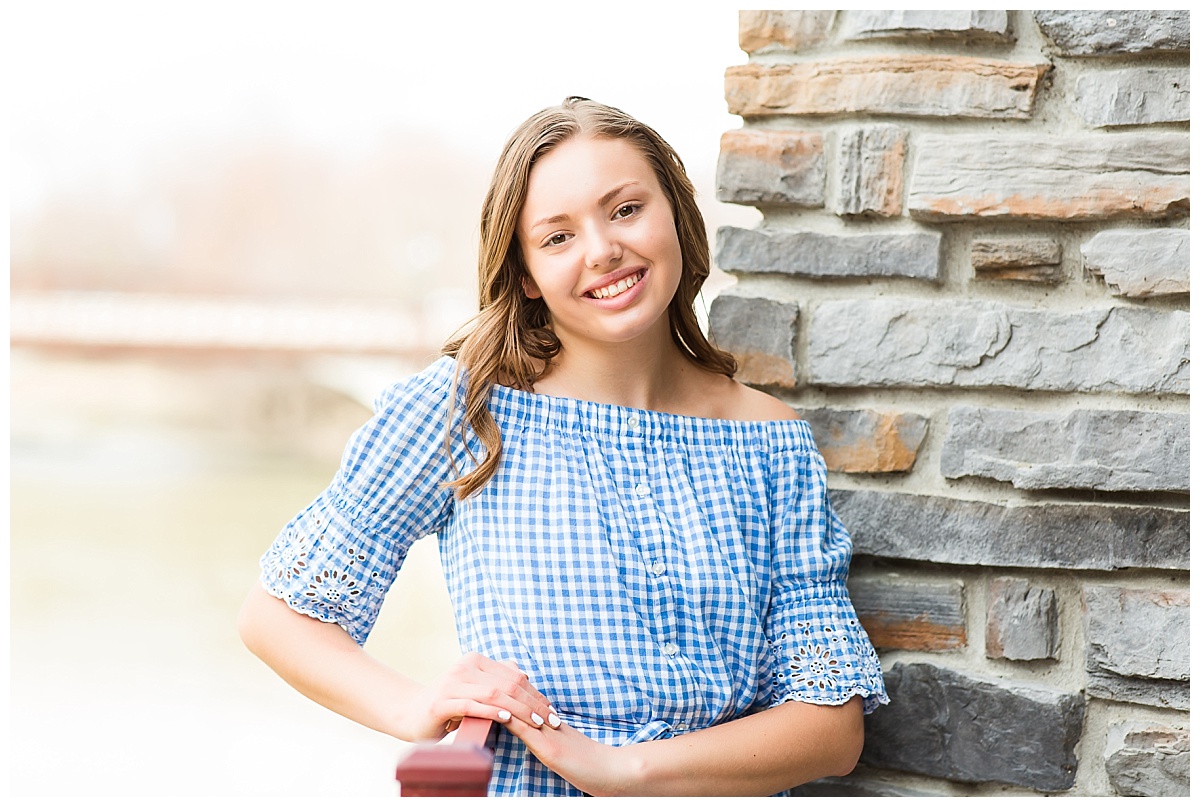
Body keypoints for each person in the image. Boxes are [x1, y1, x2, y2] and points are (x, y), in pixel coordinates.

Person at [238, 96, 888, 797]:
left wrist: (619, 769)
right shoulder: (465, 408)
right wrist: (416, 708)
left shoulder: (771, 442)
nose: (602, 249)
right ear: (524, 274)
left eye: (626, 209)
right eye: (557, 237)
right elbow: (279, 617)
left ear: (675, 211)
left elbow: (832, 727)